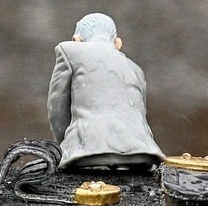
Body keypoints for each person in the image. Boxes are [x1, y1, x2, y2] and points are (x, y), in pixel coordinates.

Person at [47, 13, 164, 171]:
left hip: (87, 151)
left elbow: (57, 107)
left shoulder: (69, 51)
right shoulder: (136, 69)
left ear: (76, 40)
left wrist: (64, 148)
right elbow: (140, 114)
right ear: (117, 43)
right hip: (144, 153)